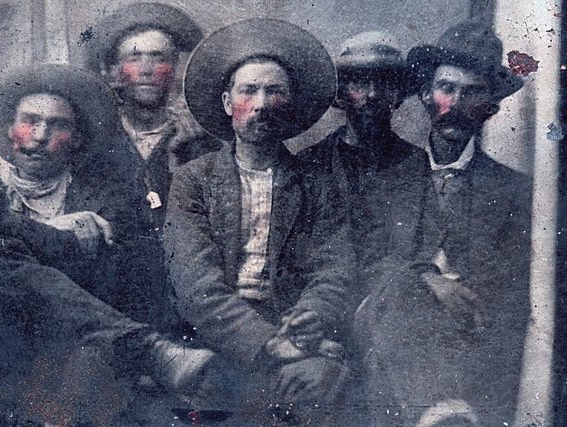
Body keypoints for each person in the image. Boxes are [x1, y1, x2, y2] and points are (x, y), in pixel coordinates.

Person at [0, 64, 226, 426]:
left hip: (83, 354)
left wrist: (9, 224)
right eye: (29, 121)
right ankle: (148, 351)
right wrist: (52, 228)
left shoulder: (106, 196)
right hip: (4, 352)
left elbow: (110, 272)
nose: (39, 136)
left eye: (58, 125)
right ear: (9, 130)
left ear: (78, 138)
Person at [165, 18, 357, 424]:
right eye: (249, 90)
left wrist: (311, 317)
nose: (262, 104)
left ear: (291, 105)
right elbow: (196, 287)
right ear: (226, 103)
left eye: (275, 92)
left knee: (321, 383)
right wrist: (269, 343)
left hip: (293, 330)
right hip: (215, 336)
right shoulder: (193, 181)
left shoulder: (317, 182)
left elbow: (334, 269)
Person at [356, 21, 531, 425]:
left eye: (473, 93)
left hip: (468, 336)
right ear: (425, 96)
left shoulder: (513, 192)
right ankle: (441, 413)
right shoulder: (388, 180)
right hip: (389, 322)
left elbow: (510, 286)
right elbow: (367, 261)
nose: (454, 104)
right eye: (446, 89)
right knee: (401, 294)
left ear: (490, 107)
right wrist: (426, 279)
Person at [87, 2, 221, 328]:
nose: (146, 69)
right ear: (116, 72)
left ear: (175, 70)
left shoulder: (202, 142)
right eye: (134, 57)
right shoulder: (92, 142)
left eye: (159, 58)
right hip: (108, 295)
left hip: (184, 295)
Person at [298, 31, 428, 278]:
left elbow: (406, 248)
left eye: (384, 83)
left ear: (398, 95)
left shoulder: (414, 162)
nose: (372, 94)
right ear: (340, 94)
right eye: (359, 83)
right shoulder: (311, 162)